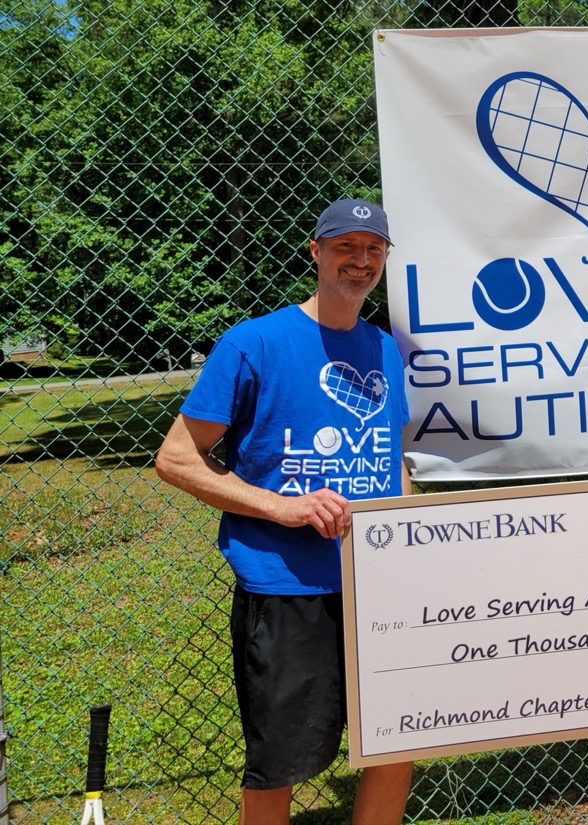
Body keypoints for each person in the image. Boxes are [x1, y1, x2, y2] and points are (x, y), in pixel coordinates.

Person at [156, 199, 413, 825]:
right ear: (316, 253)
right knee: (281, 763)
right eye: (345, 247)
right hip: (287, 586)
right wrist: (282, 507)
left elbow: (391, 459)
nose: (360, 261)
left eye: (373, 249)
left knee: (398, 740)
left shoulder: (386, 349)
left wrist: (411, 534)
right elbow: (177, 459)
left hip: (375, 582)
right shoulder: (255, 343)